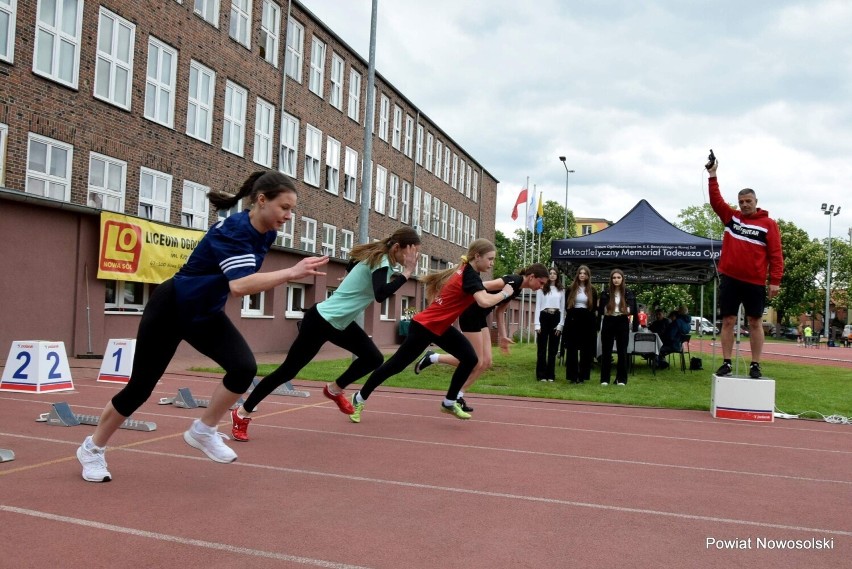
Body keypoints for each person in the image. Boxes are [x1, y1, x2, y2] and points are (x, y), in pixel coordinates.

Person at [75, 171, 329, 482]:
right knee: (139, 389)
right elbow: (240, 285)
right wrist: (291, 272)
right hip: (172, 308)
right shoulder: (234, 231)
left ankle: (203, 430)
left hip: (204, 312)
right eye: (284, 208)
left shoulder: (266, 232)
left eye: (292, 210)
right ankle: (92, 449)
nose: (288, 216)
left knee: (243, 368)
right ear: (261, 200)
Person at [230, 227, 421, 441]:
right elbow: (380, 295)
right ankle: (242, 413)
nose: (413, 257)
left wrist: (351, 278)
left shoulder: (375, 257)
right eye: (411, 253)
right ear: (397, 248)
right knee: (287, 372)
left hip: (341, 323)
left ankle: (334, 389)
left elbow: (353, 262)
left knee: (373, 358)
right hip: (320, 321)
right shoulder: (381, 262)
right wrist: (407, 273)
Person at [343, 238, 515, 423]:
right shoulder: (470, 275)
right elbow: (484, 301)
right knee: (394, 366)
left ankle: (449, 401)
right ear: (477, 256)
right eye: (490, 259)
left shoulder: (469, 272)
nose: (492, 263)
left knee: (470, 358)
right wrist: (505, 292)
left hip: (439, 327)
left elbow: (478, 294)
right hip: (424, 327)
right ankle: (358, 398)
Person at [413, 264, 550, 411]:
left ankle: (456, 391)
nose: (541, 287)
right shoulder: (512, 281)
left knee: (486, 362)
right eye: (541, 283)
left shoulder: (517, 288)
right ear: (531, 277)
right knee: (475, 361)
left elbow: (500, 312)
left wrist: (503, 336)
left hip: (480, 318)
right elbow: (479, 285)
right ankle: (440, 371)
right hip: (470, 316)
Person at [706, 156, 783, 378]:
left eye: (748, 201)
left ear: (756, 201)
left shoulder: (768, 225)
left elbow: (776, 254)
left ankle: (755, 364)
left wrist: (775, 281)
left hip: (755, 281)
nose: (744, 204)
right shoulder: (732, 218)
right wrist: (713, 175)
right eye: (741, 202)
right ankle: (727, 362)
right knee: (728, 320)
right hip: (730, 278)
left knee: (755, 321)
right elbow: (716, 201)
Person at [598, 268, 638, 386]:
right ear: (611, 279)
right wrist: (620, 309)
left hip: (622, 321)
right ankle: (604, 379)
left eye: (618, 278)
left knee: (622, 352)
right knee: (606, 351)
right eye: (614, 278)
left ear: (622, 279)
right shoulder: (605, 293)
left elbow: (631, 310)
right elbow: (602, 310)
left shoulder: (628, 293)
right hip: (609, 321)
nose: (616, 280)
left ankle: (621, 379)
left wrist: (621, 310)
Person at [562, 265, 598, 383]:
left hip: (587, 320)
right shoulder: (570, 289)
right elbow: (567, 306)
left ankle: (582, 376)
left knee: (585, 350)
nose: (582, 275)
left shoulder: (592, 290)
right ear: (577, 275)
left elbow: (594, 308)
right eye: (580, 273)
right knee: (572, 349)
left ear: (588, 276)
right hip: (573, 319)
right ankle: (572, 376)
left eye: (584, 273)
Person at [534, 267, 566, 382]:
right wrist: (537, 324)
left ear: (557, 276)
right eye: (550, 273)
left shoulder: (561, 290)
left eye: (554, 273)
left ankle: (550, 374)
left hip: (556, 317)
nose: (552, 275)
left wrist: (561, 324)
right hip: (544, 316)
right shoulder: (542, 289)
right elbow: (537, 306)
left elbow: (562, 308)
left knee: (553, 349)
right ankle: (541, 374)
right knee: (542, 348)